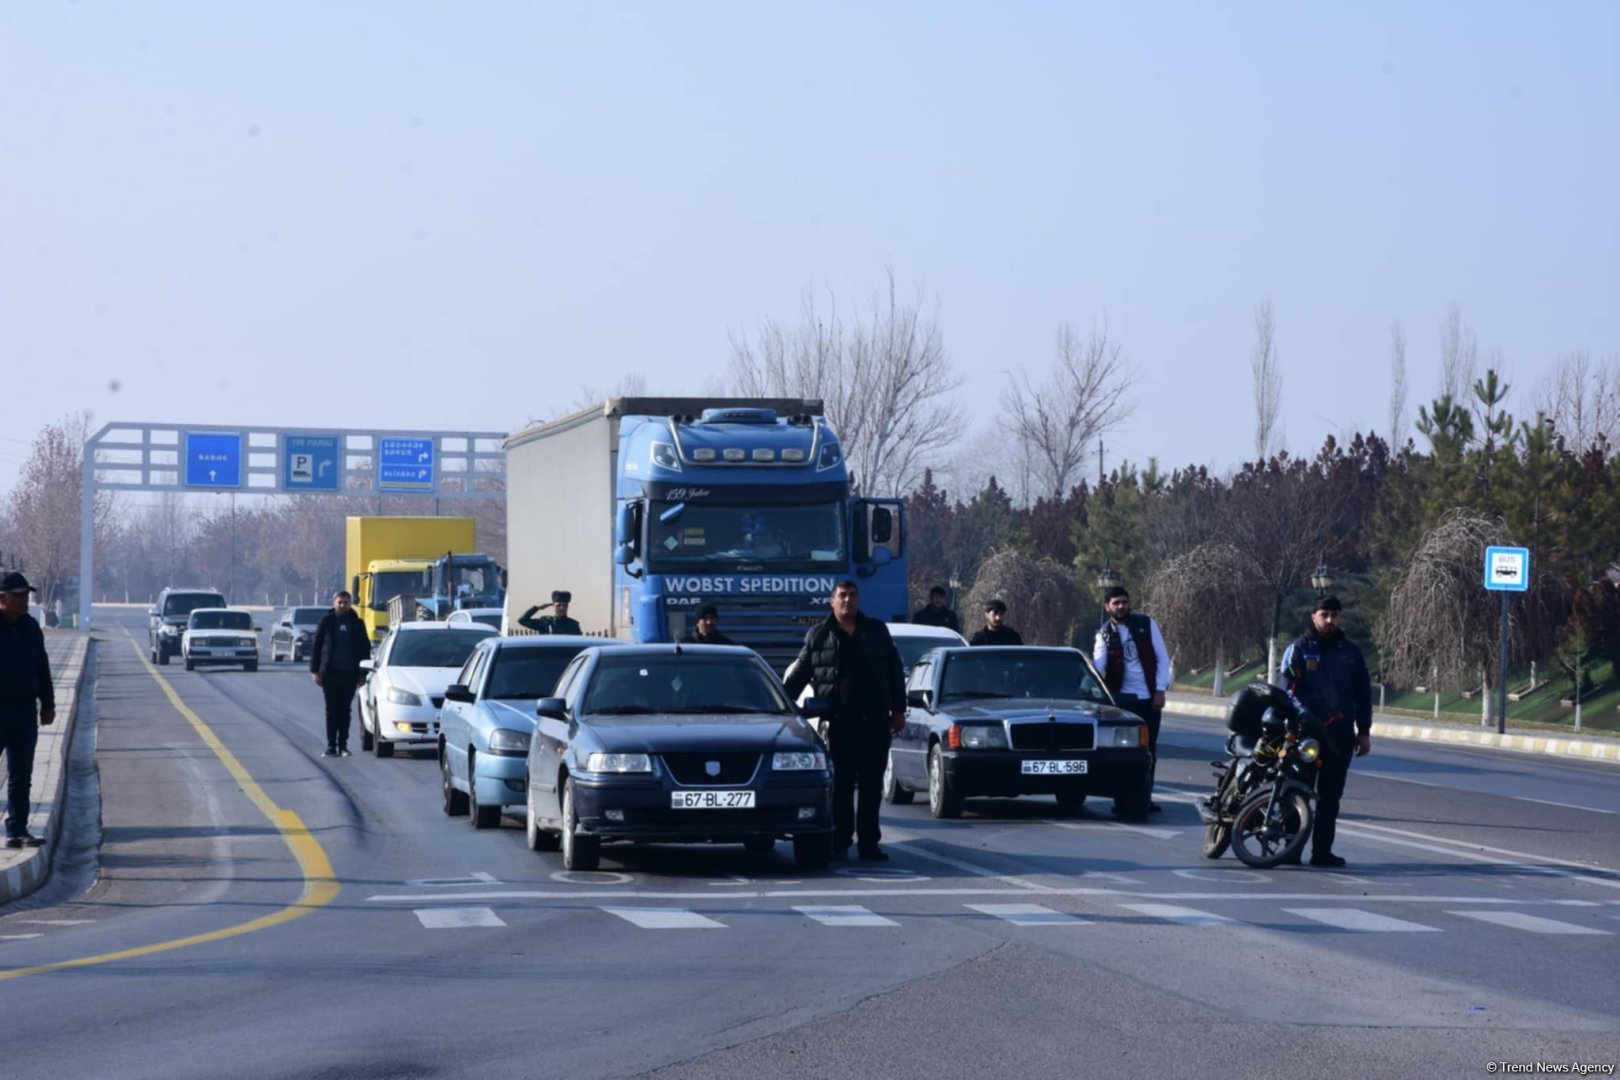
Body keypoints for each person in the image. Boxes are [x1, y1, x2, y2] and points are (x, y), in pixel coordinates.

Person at [783, 579, 906, 862]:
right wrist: (781, 707)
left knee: (872, 787)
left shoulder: (876, 631)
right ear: (832, 601)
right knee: (841, 786)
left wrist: (898, 710)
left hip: (875, 721)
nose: (847, 600)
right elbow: (798, 676)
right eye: (842, 596)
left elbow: (894, 670)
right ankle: (840, 842)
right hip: (839, 722)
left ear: (858, 600)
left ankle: (869, 843)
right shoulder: (819, 635)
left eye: (852, 595)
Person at [1280, 594, 1372, 868]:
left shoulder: (1350, 652)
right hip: (1306, 735)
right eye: (1324, 615)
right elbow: (1288, 691)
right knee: (1297, 793)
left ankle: (1322, 852)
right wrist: (1304, 716)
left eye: (1334, 615)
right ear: (1314, 616)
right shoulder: (1299, 648)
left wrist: (1364, 731)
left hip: (1340, 736)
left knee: (1330, 798)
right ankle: (1290, 849)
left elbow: (1363, 693)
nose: (1330, 620)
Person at [1092, 585, 1174, 812]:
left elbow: (1163, 660)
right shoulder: (1103, 634)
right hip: (1120, 702)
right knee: (1122, 753)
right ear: (1107, 607)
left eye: (1124, 602)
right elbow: (1098, 666)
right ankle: (1124, 797)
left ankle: (1145, 797)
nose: (1121, 607)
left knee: (1150, 750)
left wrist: (1159, 690)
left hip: (1148, 698)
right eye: (1116, 603)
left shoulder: (1146, 625)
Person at [1, 571, 55, 848]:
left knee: (21, 774)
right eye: (18, 595)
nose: (24, 600)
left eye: (26, 595)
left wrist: (48, 703)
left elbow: (42, 668)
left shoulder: (31, 628)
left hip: (24, 711)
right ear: (3, 598)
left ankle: (17, 829)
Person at [309, 589, 372, 758]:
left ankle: (343, 745)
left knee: (345, 710)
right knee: (331, 710)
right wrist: (315, 671)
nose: (343, 605)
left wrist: (363, 674)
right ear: (334, 603)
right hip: (330, 674)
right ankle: (331, 746)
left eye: (345, 602)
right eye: (340, 602)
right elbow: (316, 646)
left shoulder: (357, 623)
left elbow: (365, 649)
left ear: (350, 604)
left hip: (350, 674)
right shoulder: (327, 621)